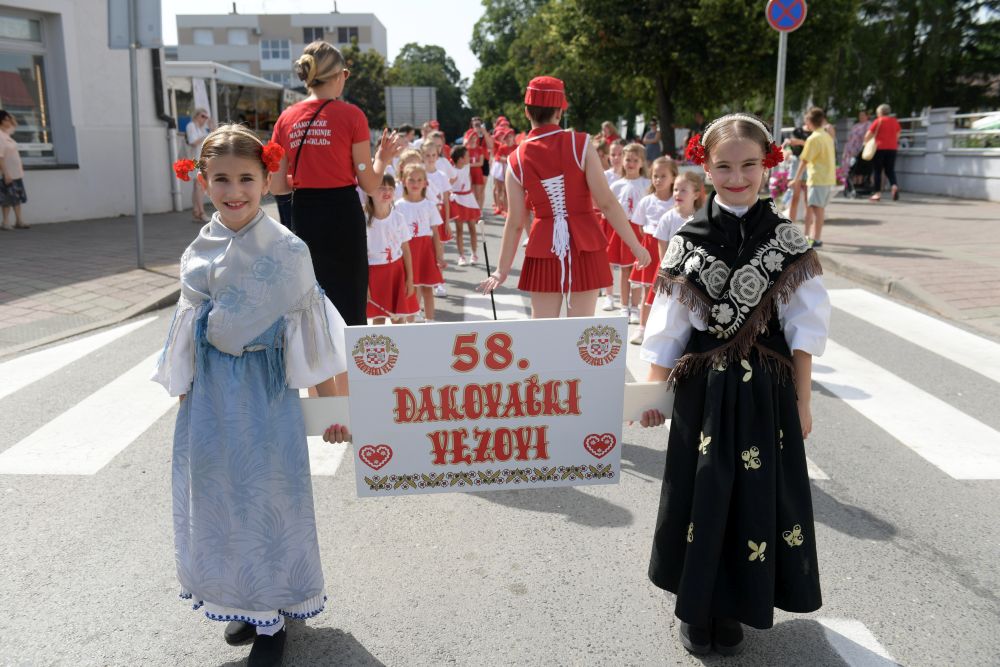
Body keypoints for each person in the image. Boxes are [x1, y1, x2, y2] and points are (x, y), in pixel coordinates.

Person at [158, 124, 351, 667]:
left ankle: (273, 618)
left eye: (246, 178)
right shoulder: (200, 248)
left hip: (265, 396)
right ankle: (242, 597)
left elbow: (311, 335)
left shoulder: (288, 251)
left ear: (268, 179)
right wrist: (184, 397)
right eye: (221, 179)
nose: (234, 190)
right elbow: (187, 329)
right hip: (213, 400)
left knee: (270, 498)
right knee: (221, 498)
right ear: (202, 181)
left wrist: (332, 407)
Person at [638, 112, 828, 656]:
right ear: (706, 167)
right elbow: (667, 322)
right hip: (704, 393)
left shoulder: (787, 239)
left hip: (765, 394)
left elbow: (804, 328)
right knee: (704, 491)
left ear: (767, 163)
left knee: (754, 499)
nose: (737, 177)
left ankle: (738, 606)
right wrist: (654, 392)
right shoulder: (687, 237)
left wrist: (803, 397)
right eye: (724, 166)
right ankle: (699, 609)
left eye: (748, 165)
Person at [270, 41, 404, 395]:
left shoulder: (286, 119)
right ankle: (350, 398)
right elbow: (370, 183)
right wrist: (384, 158)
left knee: (308, 307)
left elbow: (277, 184)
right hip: (342, 216)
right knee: (348, 309)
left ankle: (321, 399)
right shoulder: (351, 116)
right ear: (339, 76)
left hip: (302, 216)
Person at [477, 76, 650, 318]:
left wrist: (501, 270)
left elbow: (515, 221)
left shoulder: (515, 159)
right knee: (579, 335)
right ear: (559, 112)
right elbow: (607, 203)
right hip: (585, 242)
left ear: (527, 112)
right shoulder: (580, 143)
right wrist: (635, 244)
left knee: (545, 333)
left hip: (544, 246)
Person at [628, 156, 677, 344]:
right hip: (651, 246)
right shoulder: (647, 201)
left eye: (663, 176)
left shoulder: (677, 201)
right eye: (655, 176)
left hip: (670, 248)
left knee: (666, 293)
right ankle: (641, 328)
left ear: (673, 177)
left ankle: (661, 329)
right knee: (648, 289)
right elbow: (640, 228)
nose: (658, 180)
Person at [396, 163, 446, 322]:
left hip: (425, 251)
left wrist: (440, 256)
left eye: (419, 180)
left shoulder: (430, 206)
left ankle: (429, 322)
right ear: (403, 181)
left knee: (427, 289)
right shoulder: (398, 206)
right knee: (411, 288)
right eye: (411, 180)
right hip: (407, 251)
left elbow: (436, 234)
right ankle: (411, 324)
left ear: (425, 183)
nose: (415, 184)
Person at [365, 174, 418, 324]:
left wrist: (410, 278)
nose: (386, 191)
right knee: (378, 319)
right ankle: (382, 348)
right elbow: (359, 255)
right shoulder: (363, 219)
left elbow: (406, 250)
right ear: (370, 192)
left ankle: (402, 347)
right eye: (381, 188)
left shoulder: (398, 218)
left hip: (396, 271)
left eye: (390, 188)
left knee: (399, 318)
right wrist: (364, 285)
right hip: (374, 274)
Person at [608, 143, 650, 324]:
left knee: (638, 270)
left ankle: (635, 306)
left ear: (642, 162)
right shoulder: (617, 185)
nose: (631, 163)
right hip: (624, 230)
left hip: (640, 230)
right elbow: (610, 208)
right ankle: (624, 306)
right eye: (628, 159)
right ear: (622, 162)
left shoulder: (647, 184)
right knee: (625, 270)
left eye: (635, 160)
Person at [790, 107, 836, 248]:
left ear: (810, 121)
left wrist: (795, 179)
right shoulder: (826, 136)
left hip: (817, 178)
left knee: (817, 209)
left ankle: (816, 239)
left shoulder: (813, 138)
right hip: (827, 177)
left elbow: (804, 160)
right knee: (818, 208)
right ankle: (814, 238)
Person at [449, 145, 482, 266]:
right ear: (460, 159)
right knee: (459, 230)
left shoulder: (467, 166)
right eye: (467, 156)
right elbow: (449, 185)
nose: (470, 157)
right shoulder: (452, 171)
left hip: (468, 199)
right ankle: (461, 256)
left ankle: (474, 254)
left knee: (472, 228)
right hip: (457, 200)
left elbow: (468, 179)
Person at [865, 103, 902, 201]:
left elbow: (868, 135)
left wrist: (866, 143)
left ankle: (877, 194)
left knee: (877, 171)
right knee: (890, 170)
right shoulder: (895, 121)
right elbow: (898, 135)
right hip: (892, 149)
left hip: (879, 148)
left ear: (880, 112)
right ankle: (894, 186)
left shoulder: (878, 121)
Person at [0, 110, 29, 230]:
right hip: (7, 174)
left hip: (15, 173)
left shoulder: (6, 134)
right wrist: (6, 174)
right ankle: (5, 222)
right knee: (7, 198)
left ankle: (19, 220)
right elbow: (0, 157)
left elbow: (14, 124)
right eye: (6, 119)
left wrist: (9, 116)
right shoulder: (0, 136)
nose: (9, 121)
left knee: (17, 197)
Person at [185, 107, 212, 223]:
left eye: (206, 117)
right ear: (196, 116)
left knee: (197, 185)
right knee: (199, 185)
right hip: (194, 160)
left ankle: (196, 211)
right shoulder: (191, 126)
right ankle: (201, 212)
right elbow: (193, 142)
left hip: (200, 160)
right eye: (203, 116)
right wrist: (206, 135)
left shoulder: (201, 128)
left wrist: (210, 130)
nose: (205, 119)